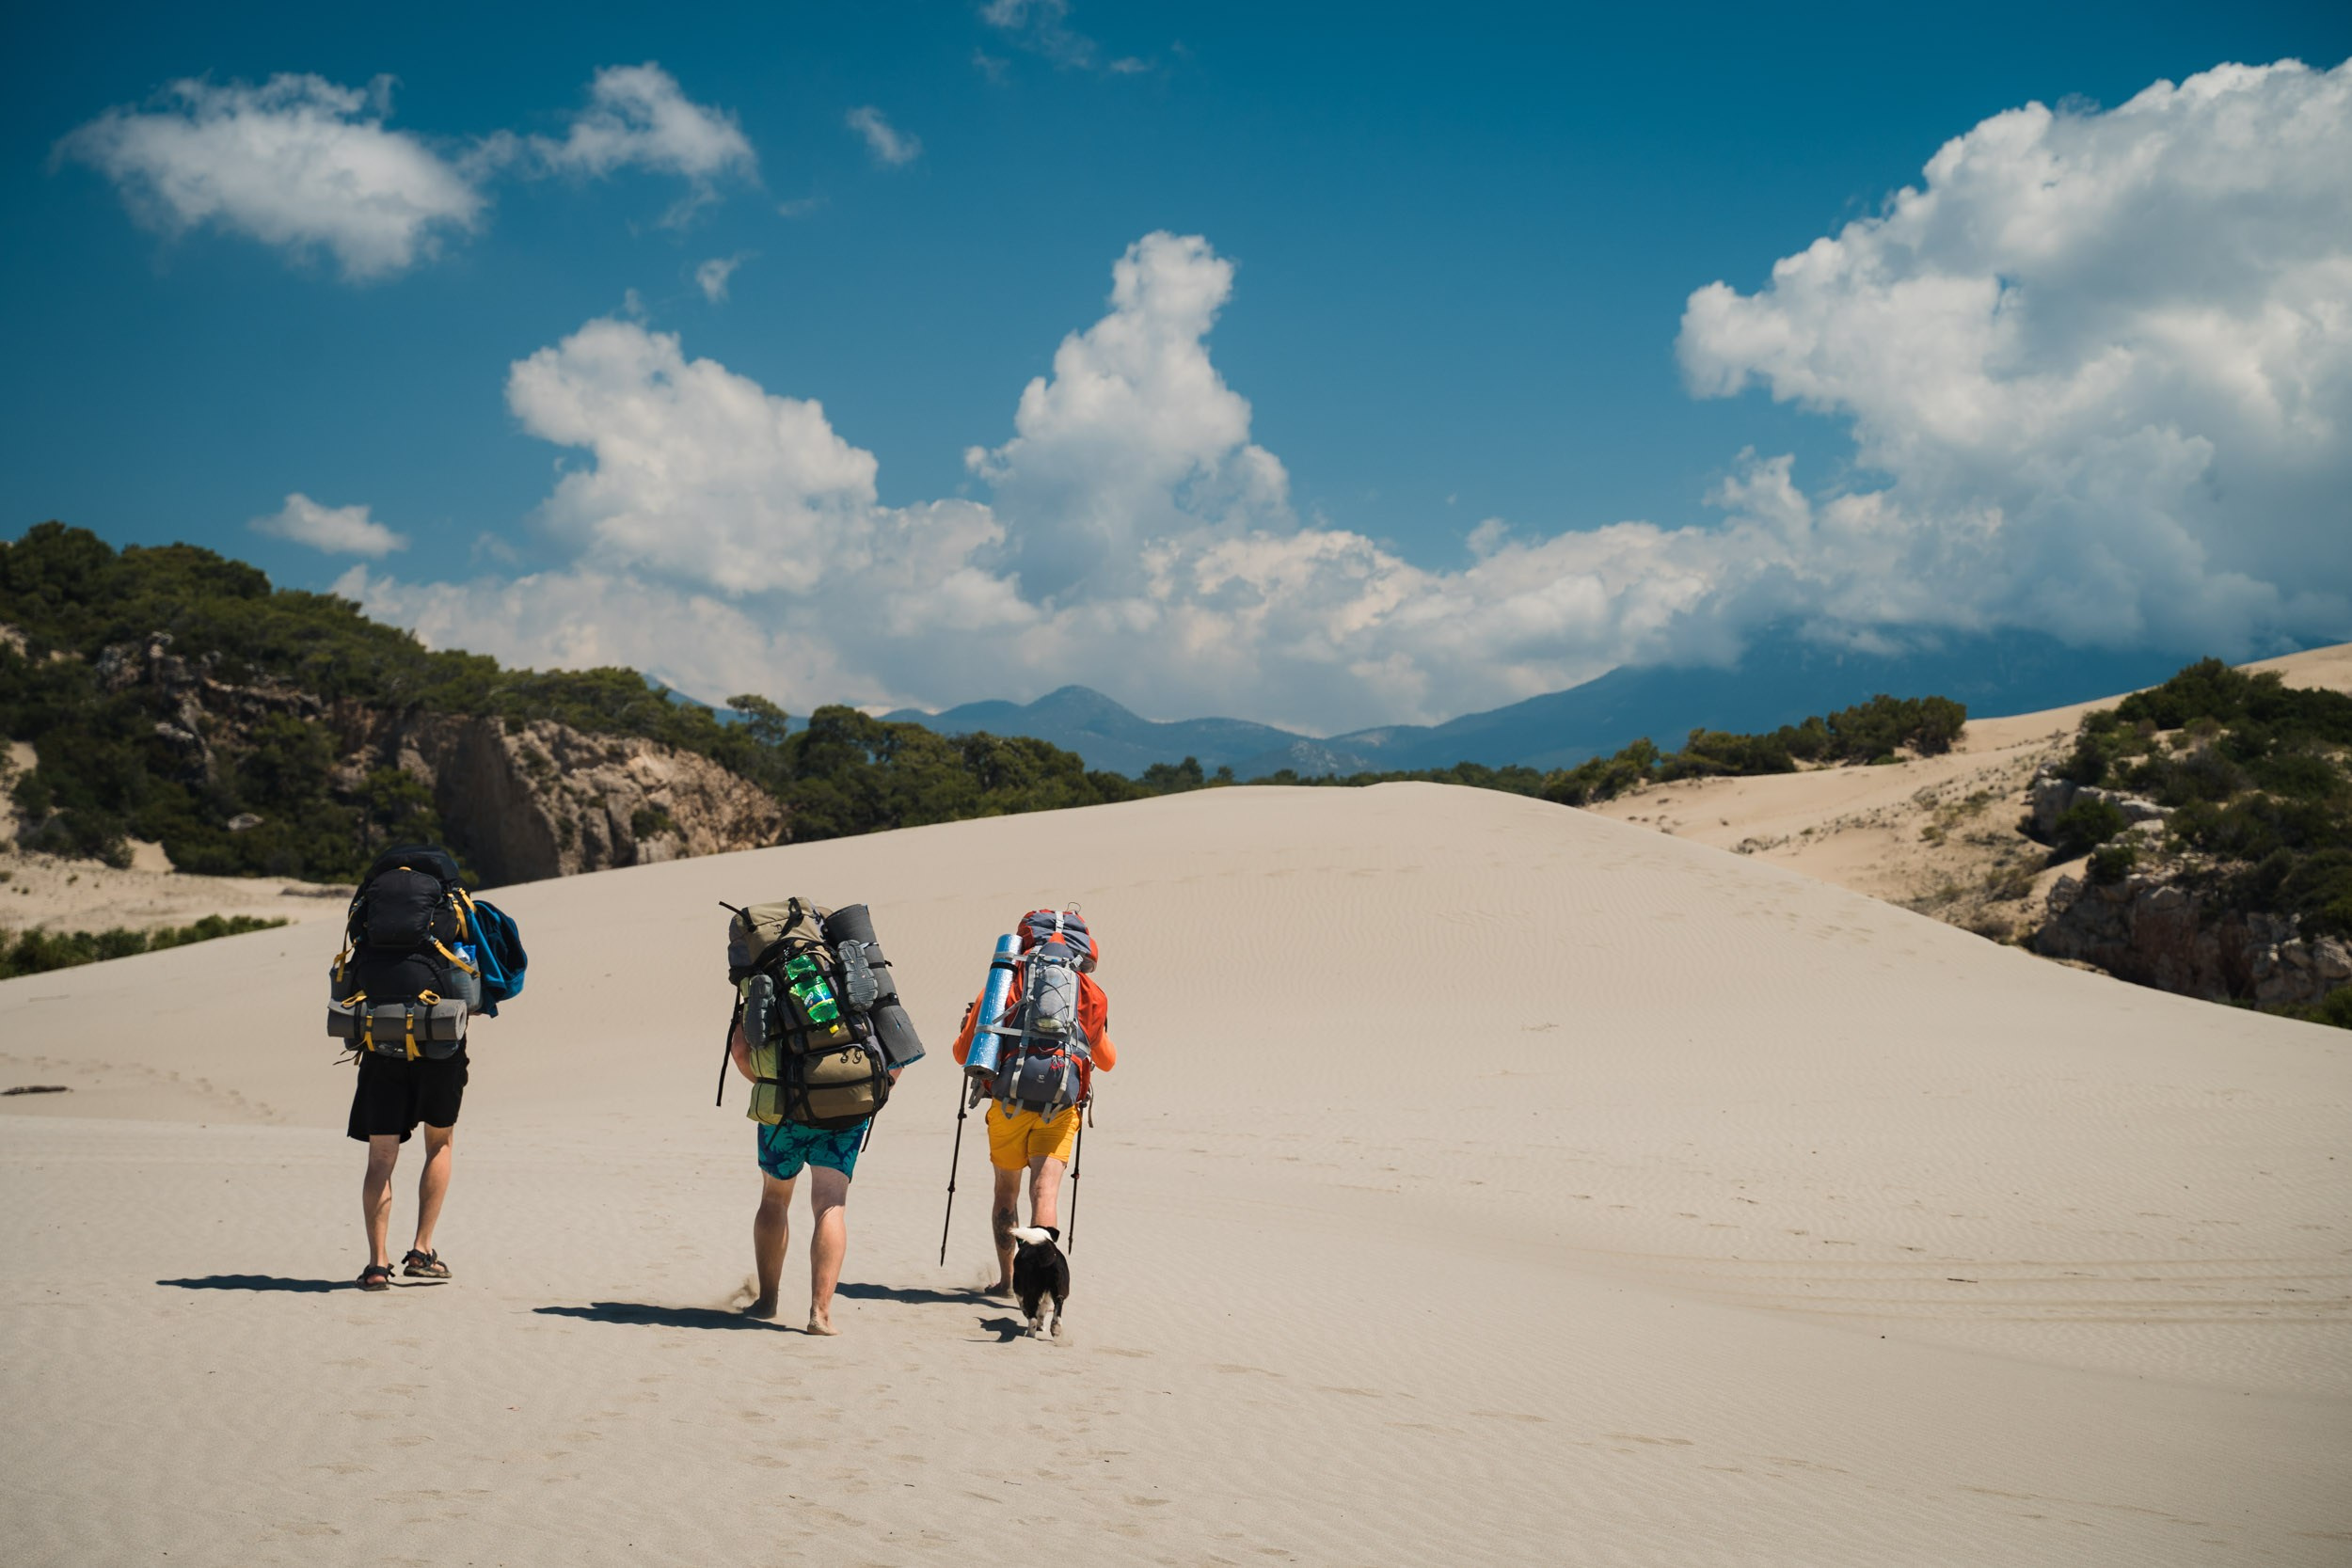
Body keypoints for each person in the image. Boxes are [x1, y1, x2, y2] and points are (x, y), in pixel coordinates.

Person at [950, 923, 1119, 1296]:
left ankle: (1009, 1282)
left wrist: (969, 1026)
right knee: (1045, 1193)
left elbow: (963, 1055)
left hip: (1008, 1106)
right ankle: (1039, 1286)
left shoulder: (1000, 988)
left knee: (1006, 1193)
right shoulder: (1090, 993)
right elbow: (1107, 1061)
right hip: (1059, 1108)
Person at [729, 1016, 902, 1334]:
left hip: (783, 1111)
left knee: (774, 1199)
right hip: (846, 1113)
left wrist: (769, 1086)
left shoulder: (770, 970)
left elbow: (740, 1051)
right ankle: (820, 1314)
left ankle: (767, 1302)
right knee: (830, 1205)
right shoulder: (858, 971)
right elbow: (900, 1051)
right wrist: (867, 1093)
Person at [349, 1042, 464, 1290]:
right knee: (439, 1146)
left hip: (381, 1054)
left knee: (380, 1158)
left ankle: (377, 1266)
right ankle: (421, 1252)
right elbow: (491, 1001)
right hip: (441, 1055)